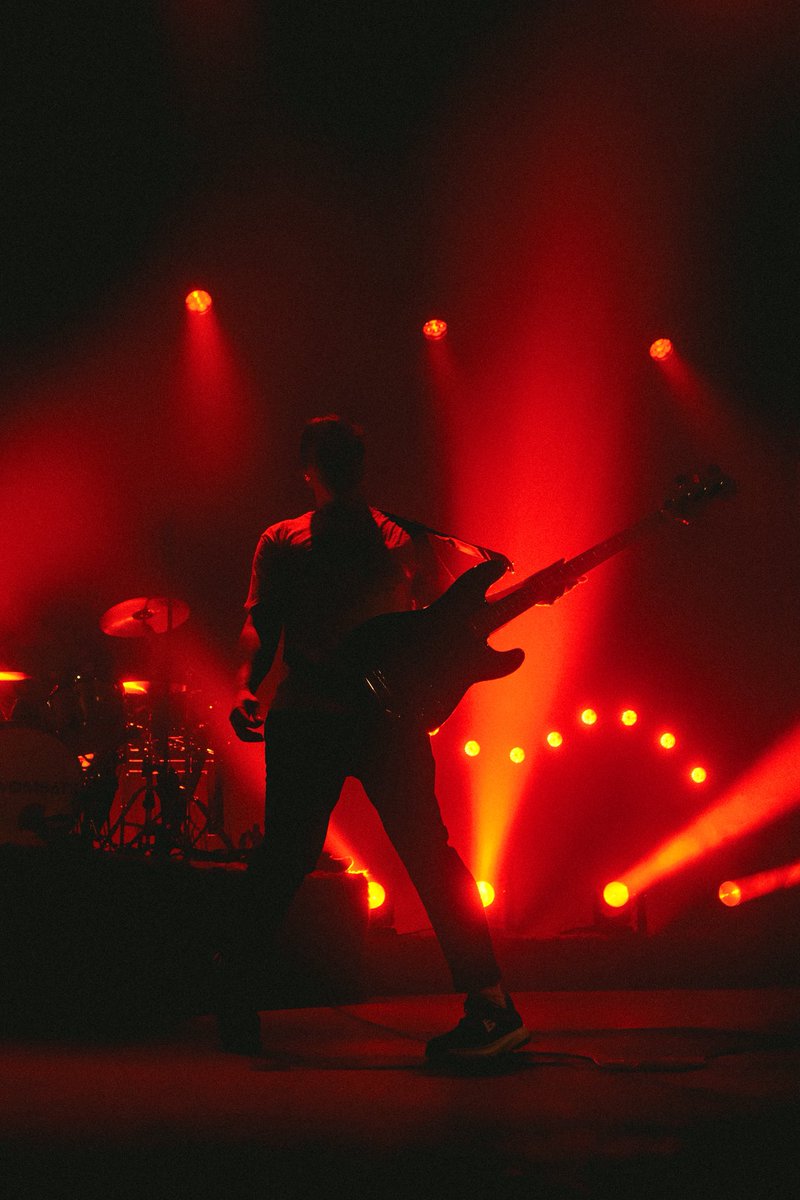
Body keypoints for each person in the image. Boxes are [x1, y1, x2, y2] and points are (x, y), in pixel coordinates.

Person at [224, 415, 530, 1059]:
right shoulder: (282, 539)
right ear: (310, 466)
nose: (335, 465)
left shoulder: (408, 541)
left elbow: (447, 629)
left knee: (414, 855)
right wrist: (245, 684)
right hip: (310, 711)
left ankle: (492, 1004)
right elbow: (261, 624)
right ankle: (238, 993)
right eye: (328, 456)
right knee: (293, 856)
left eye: (345, 456)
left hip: (378, 719)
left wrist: (522, 604)